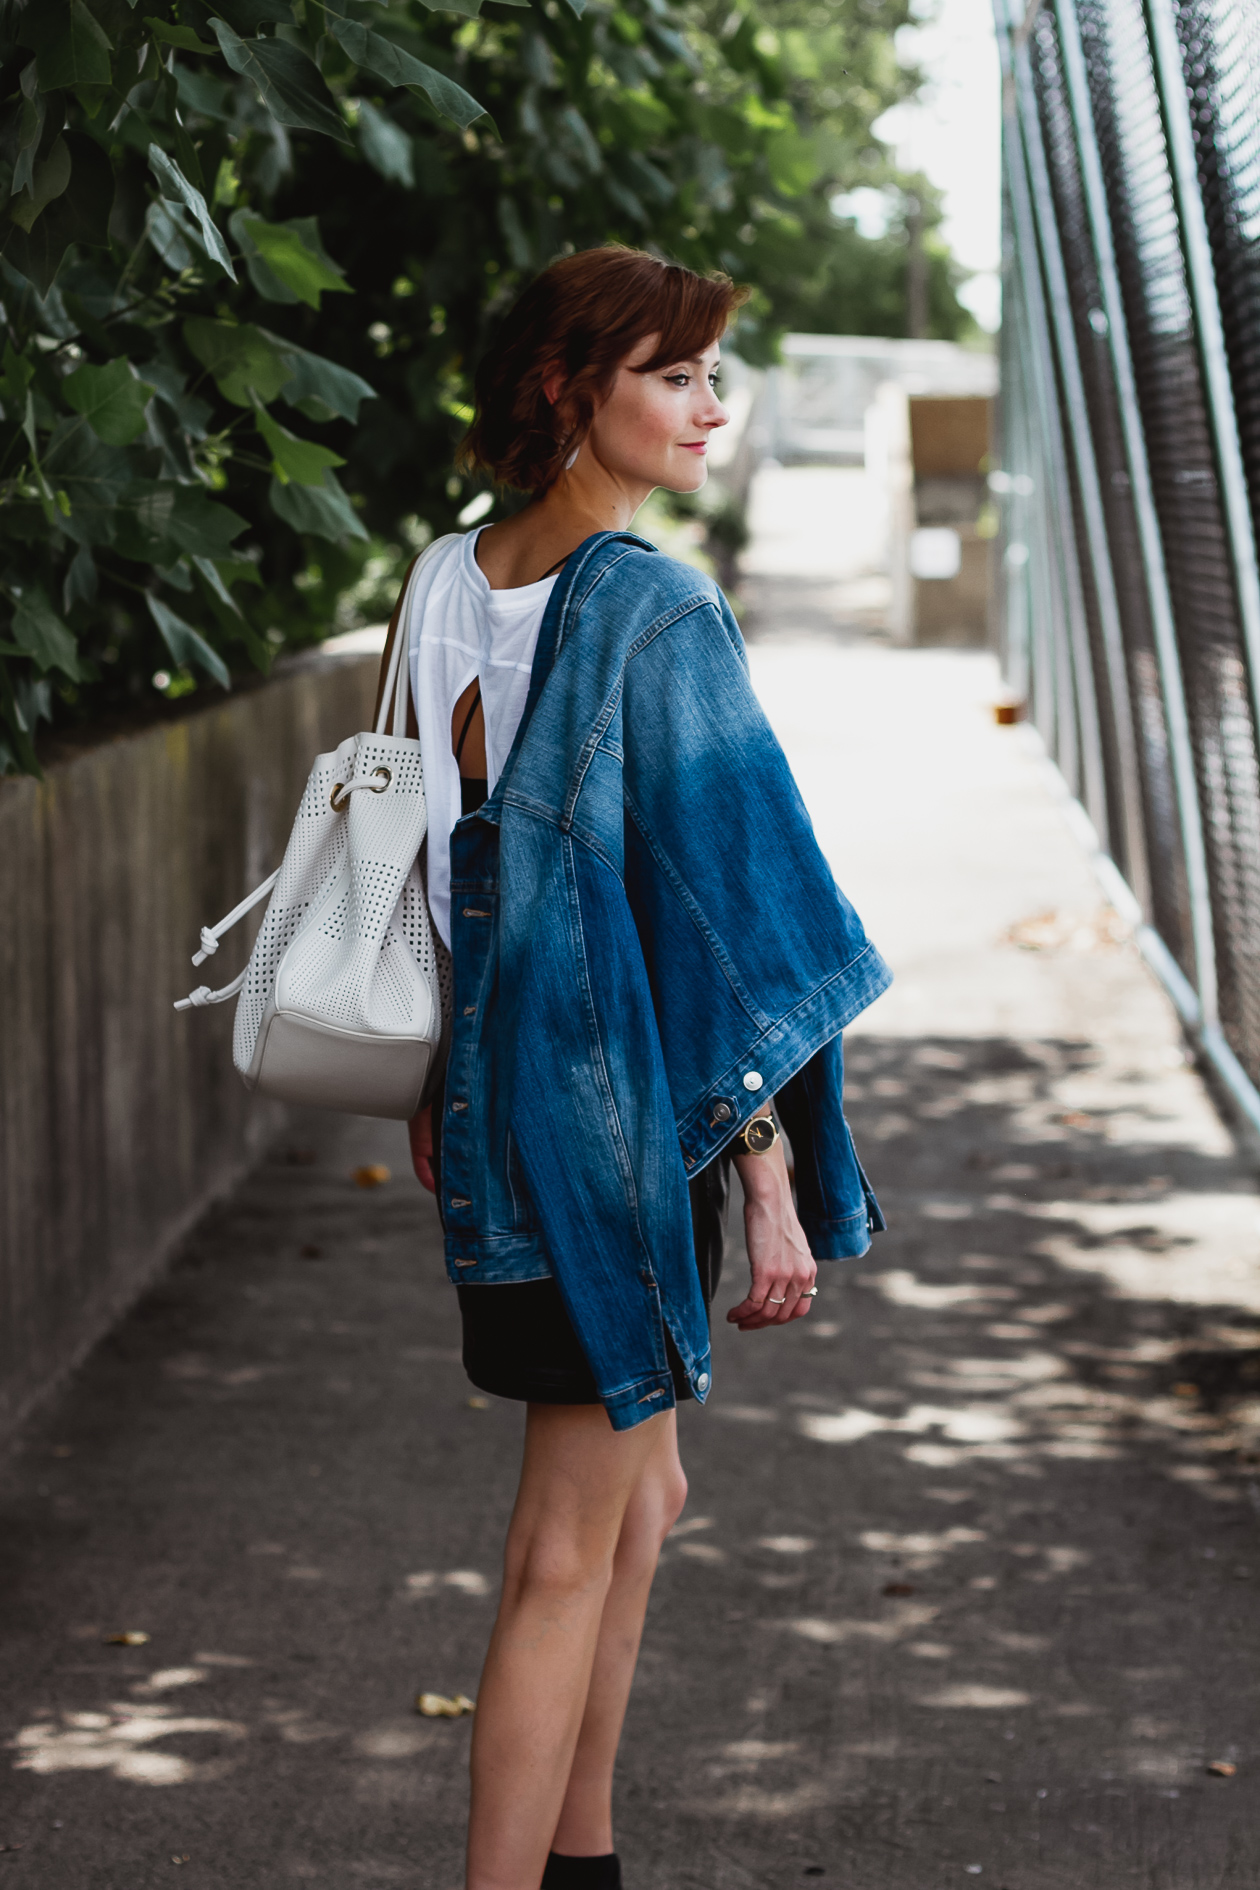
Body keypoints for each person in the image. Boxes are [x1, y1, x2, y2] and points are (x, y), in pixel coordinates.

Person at [375, 245, 889, 1890]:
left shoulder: (441, 581)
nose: (710, 409)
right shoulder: (657, 607)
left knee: (645, 1490)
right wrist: (772, 1172)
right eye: (672, 375)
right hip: (616, 1123)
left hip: (490, 1100)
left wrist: (432, 1085)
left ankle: (586, 1847)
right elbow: (726, 913)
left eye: (708, 375)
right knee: (560, 1547)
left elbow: (428, 860)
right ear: (566, 388)